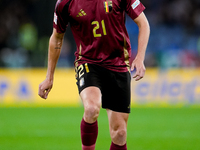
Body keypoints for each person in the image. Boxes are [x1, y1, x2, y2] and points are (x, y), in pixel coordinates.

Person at [38, 0, 150, 149]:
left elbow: (144, 24)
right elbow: (56, 37)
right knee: (91, 108)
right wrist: (49, 77)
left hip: (118, 64)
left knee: (120, 134)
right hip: (88, 62)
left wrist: (140, 58)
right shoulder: (65, 3)